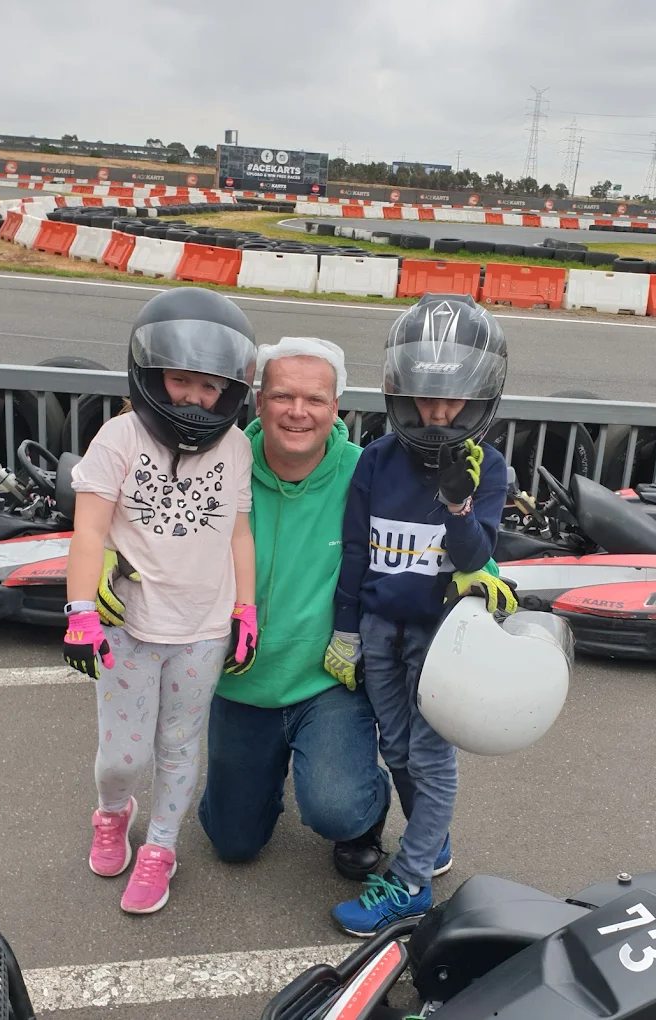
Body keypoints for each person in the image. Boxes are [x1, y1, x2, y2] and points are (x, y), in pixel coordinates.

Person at [62, 287, 260, 915]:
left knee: (179, 745)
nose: (195, 398)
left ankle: (163, 848)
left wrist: (246, 609)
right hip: (130, 628)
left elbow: (238, 532)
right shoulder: (117, 440)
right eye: (180, 380)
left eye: (210, 386)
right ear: (151, 376)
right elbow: (89, 530)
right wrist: (79, 613)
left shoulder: (236, 447)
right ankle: (114, 812)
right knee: (122, 756)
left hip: (203, 629)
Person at [325, 293, 515, 937]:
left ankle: (409, 885)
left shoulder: (489, 469)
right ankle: (431, 845)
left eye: (454, 400)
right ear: (400, 391)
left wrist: (459, 507)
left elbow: (476, 556)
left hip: (441, 639)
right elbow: (355, 551)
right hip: (380, 627)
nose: (438, 413)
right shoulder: (376, 459)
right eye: (426, 397)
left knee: (431, 759)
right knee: (396, 747)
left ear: (479, 397)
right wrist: (346, 629)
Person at [197, 337, 392, 880]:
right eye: (283, 396)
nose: (298, 412)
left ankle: (364, 802)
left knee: (336, 806)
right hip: (238, 679)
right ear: (258, 401)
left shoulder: (369, 472)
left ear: (337, 408)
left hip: (327, 679)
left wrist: (488, 579)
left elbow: (426, 534)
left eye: (315, 400)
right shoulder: (218, 463)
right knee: (231, 842)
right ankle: (266, 775)